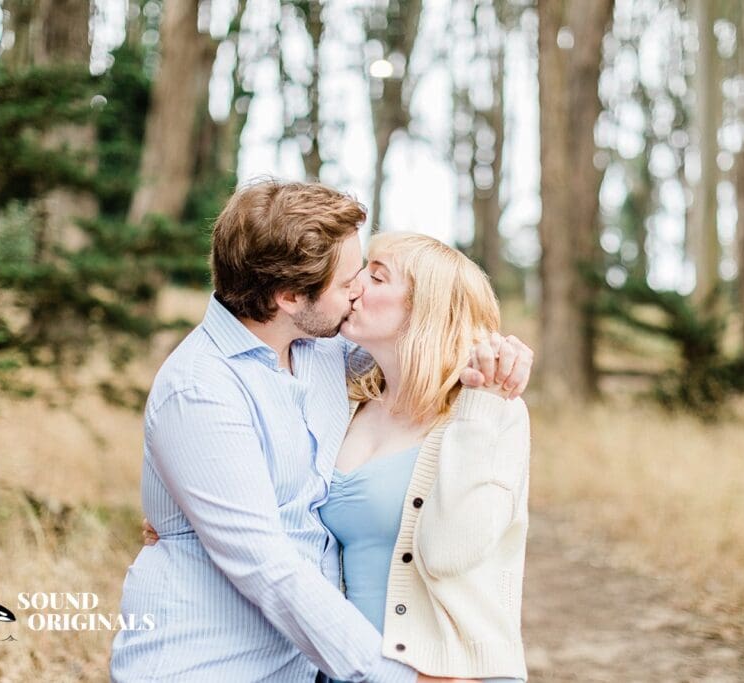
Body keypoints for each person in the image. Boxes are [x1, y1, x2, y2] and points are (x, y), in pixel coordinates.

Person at [111, 179, 532, 683]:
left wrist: (496, 359)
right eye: (350, 280)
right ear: (289, 296)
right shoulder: (201, 391)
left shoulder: (322, 354)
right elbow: (268, 566)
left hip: (308, 666)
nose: (357, 291)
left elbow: (425, 342)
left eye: (369, 276)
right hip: (208, 663)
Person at [322, 232, 530, 682]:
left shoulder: (491, 410)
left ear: (425, 309)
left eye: (376, 277)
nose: (354, 285)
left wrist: (482, 404)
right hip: (350, 667)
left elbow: (447, 552)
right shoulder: (346, 397)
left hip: (442, 674)